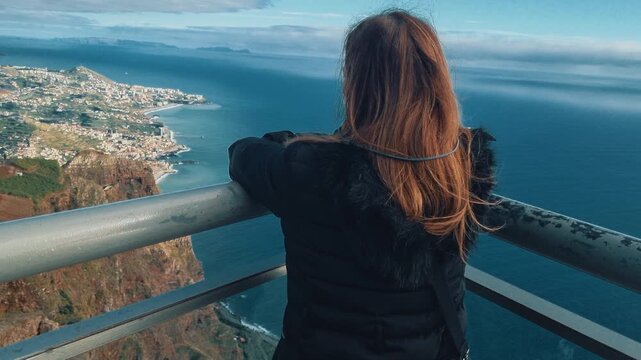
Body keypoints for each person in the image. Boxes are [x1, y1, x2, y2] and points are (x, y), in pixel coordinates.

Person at [228, 9, 496, 360]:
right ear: (437, 79)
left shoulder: (314, 171)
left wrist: (296, 144)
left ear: (357, 81)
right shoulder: (463, 165)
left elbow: (242, 154)